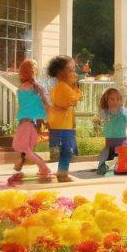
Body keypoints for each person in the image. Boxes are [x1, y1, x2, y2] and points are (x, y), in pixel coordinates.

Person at [11, 60, 53, 182]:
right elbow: (46, 104)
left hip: (26, 122)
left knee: (23, 147)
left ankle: (43, 167)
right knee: (27, 148)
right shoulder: (38, 88)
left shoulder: (21, 89)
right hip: (34, 123)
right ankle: (41, 167)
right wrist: (48, 119)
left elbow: (24, 107)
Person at [45, 55, 82, 183]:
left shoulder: (64, 87)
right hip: (61, 126)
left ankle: (62, 173)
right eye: (70, 70)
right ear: (60, 73)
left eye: (73, 69)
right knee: (67, 150)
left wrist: (74, 87)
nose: (73, 73)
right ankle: (62, 173)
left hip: (63, 125)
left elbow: (75, 99)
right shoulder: (62, 87)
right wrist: (75, 87)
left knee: (67, 151)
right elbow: (72, 100)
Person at [96, 87, 127, 176]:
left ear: (121, 100)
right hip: (109, 143)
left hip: (122, 142)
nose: (115, 102)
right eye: (112, 99)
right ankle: (107, 167)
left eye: (118, 99)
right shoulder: (105, 112)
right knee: (103, 168)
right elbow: (101, 115)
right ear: (106, 100)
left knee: (123, 164)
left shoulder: (124, 112)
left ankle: (120, 167)